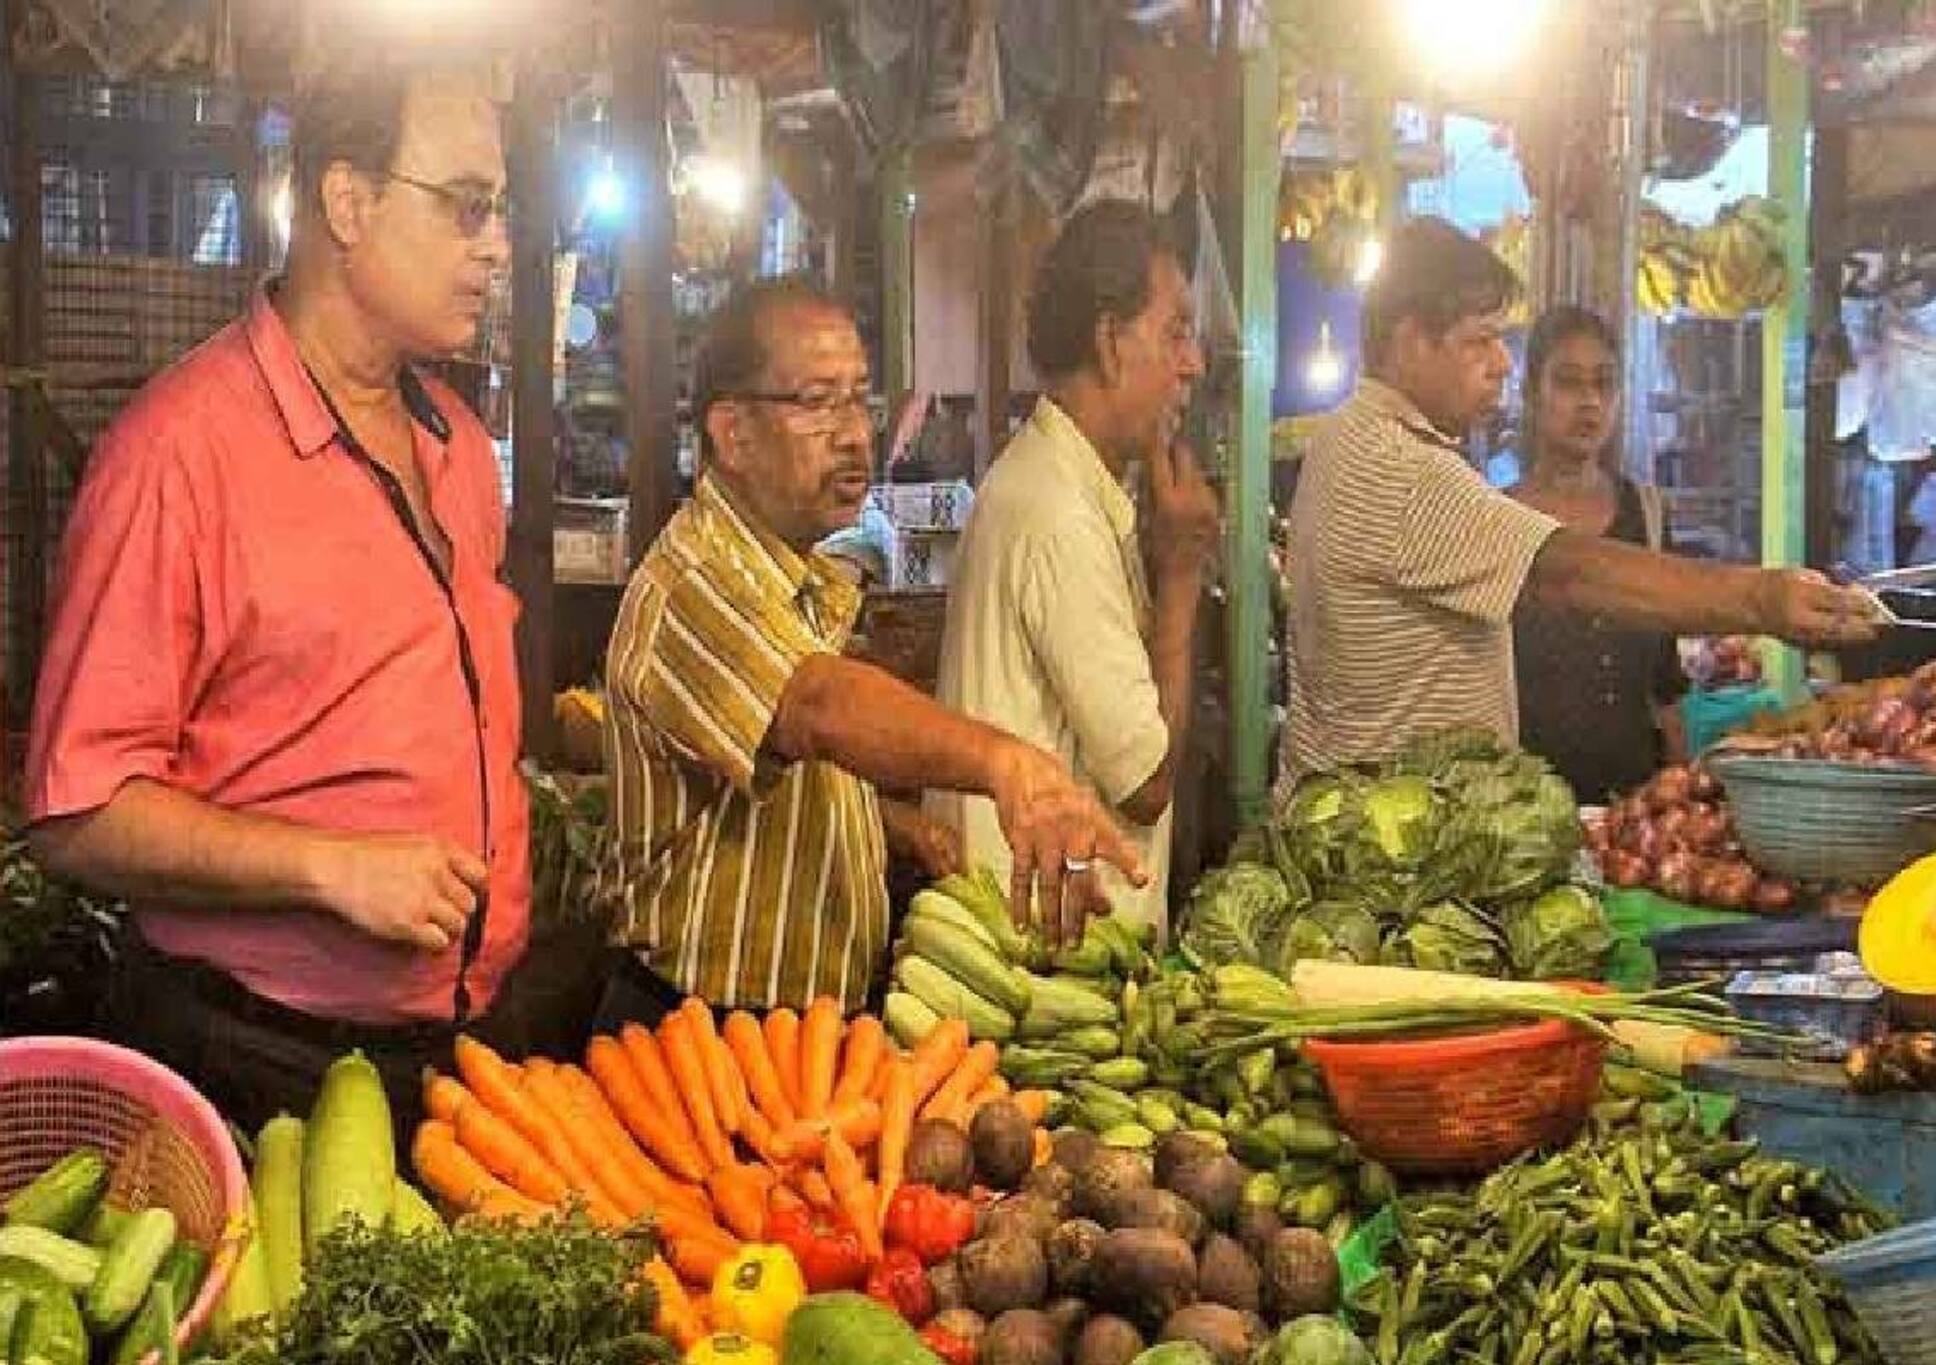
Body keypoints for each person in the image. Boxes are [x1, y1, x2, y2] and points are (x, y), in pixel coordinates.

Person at [23, 61, 530, 1138]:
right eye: (468, 207)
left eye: (502, 211)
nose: (497, 247)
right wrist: (326, 868)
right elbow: (77, 811)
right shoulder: (180, 455)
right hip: (253, 1058)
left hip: (451, 1059)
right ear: (347, 202)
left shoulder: (462, 449)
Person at [599, 278, 1142, 1021]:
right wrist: (1007, 763)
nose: (856, 434)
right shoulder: (693, 582)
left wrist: (894, 822)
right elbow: (816, 706)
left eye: (860, 400)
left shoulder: (800, 571)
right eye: (818, 402)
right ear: (733, 432)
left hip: (805, 1038)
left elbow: (766, 777)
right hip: (697, 1036)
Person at [1280, 218, 1883, 796]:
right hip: (1387, 848)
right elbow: (1561, 574)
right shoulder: (1399, 466)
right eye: (1480, 340)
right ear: (1412, 341)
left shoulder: (1350, 437)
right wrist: (1762, 599)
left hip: (1385, 827)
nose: (1501, 362)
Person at [932, 199, 1217, 932]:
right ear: (1111, 342)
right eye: (1176, 332)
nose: (1194, 364)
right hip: (1044, 966)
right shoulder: (1059, 510)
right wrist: (1182, 579)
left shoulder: (1064, 482)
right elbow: (1145, 781)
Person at [1509, 306, 1688, 803]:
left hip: (1633, 801)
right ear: (1531, 393)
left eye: (1604, 383)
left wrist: (1681, 788)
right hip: (1524, 807)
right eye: (1567, 382)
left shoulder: (1646, 514)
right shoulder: (1496, 521)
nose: (1589, 402)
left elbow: (1665, 680)